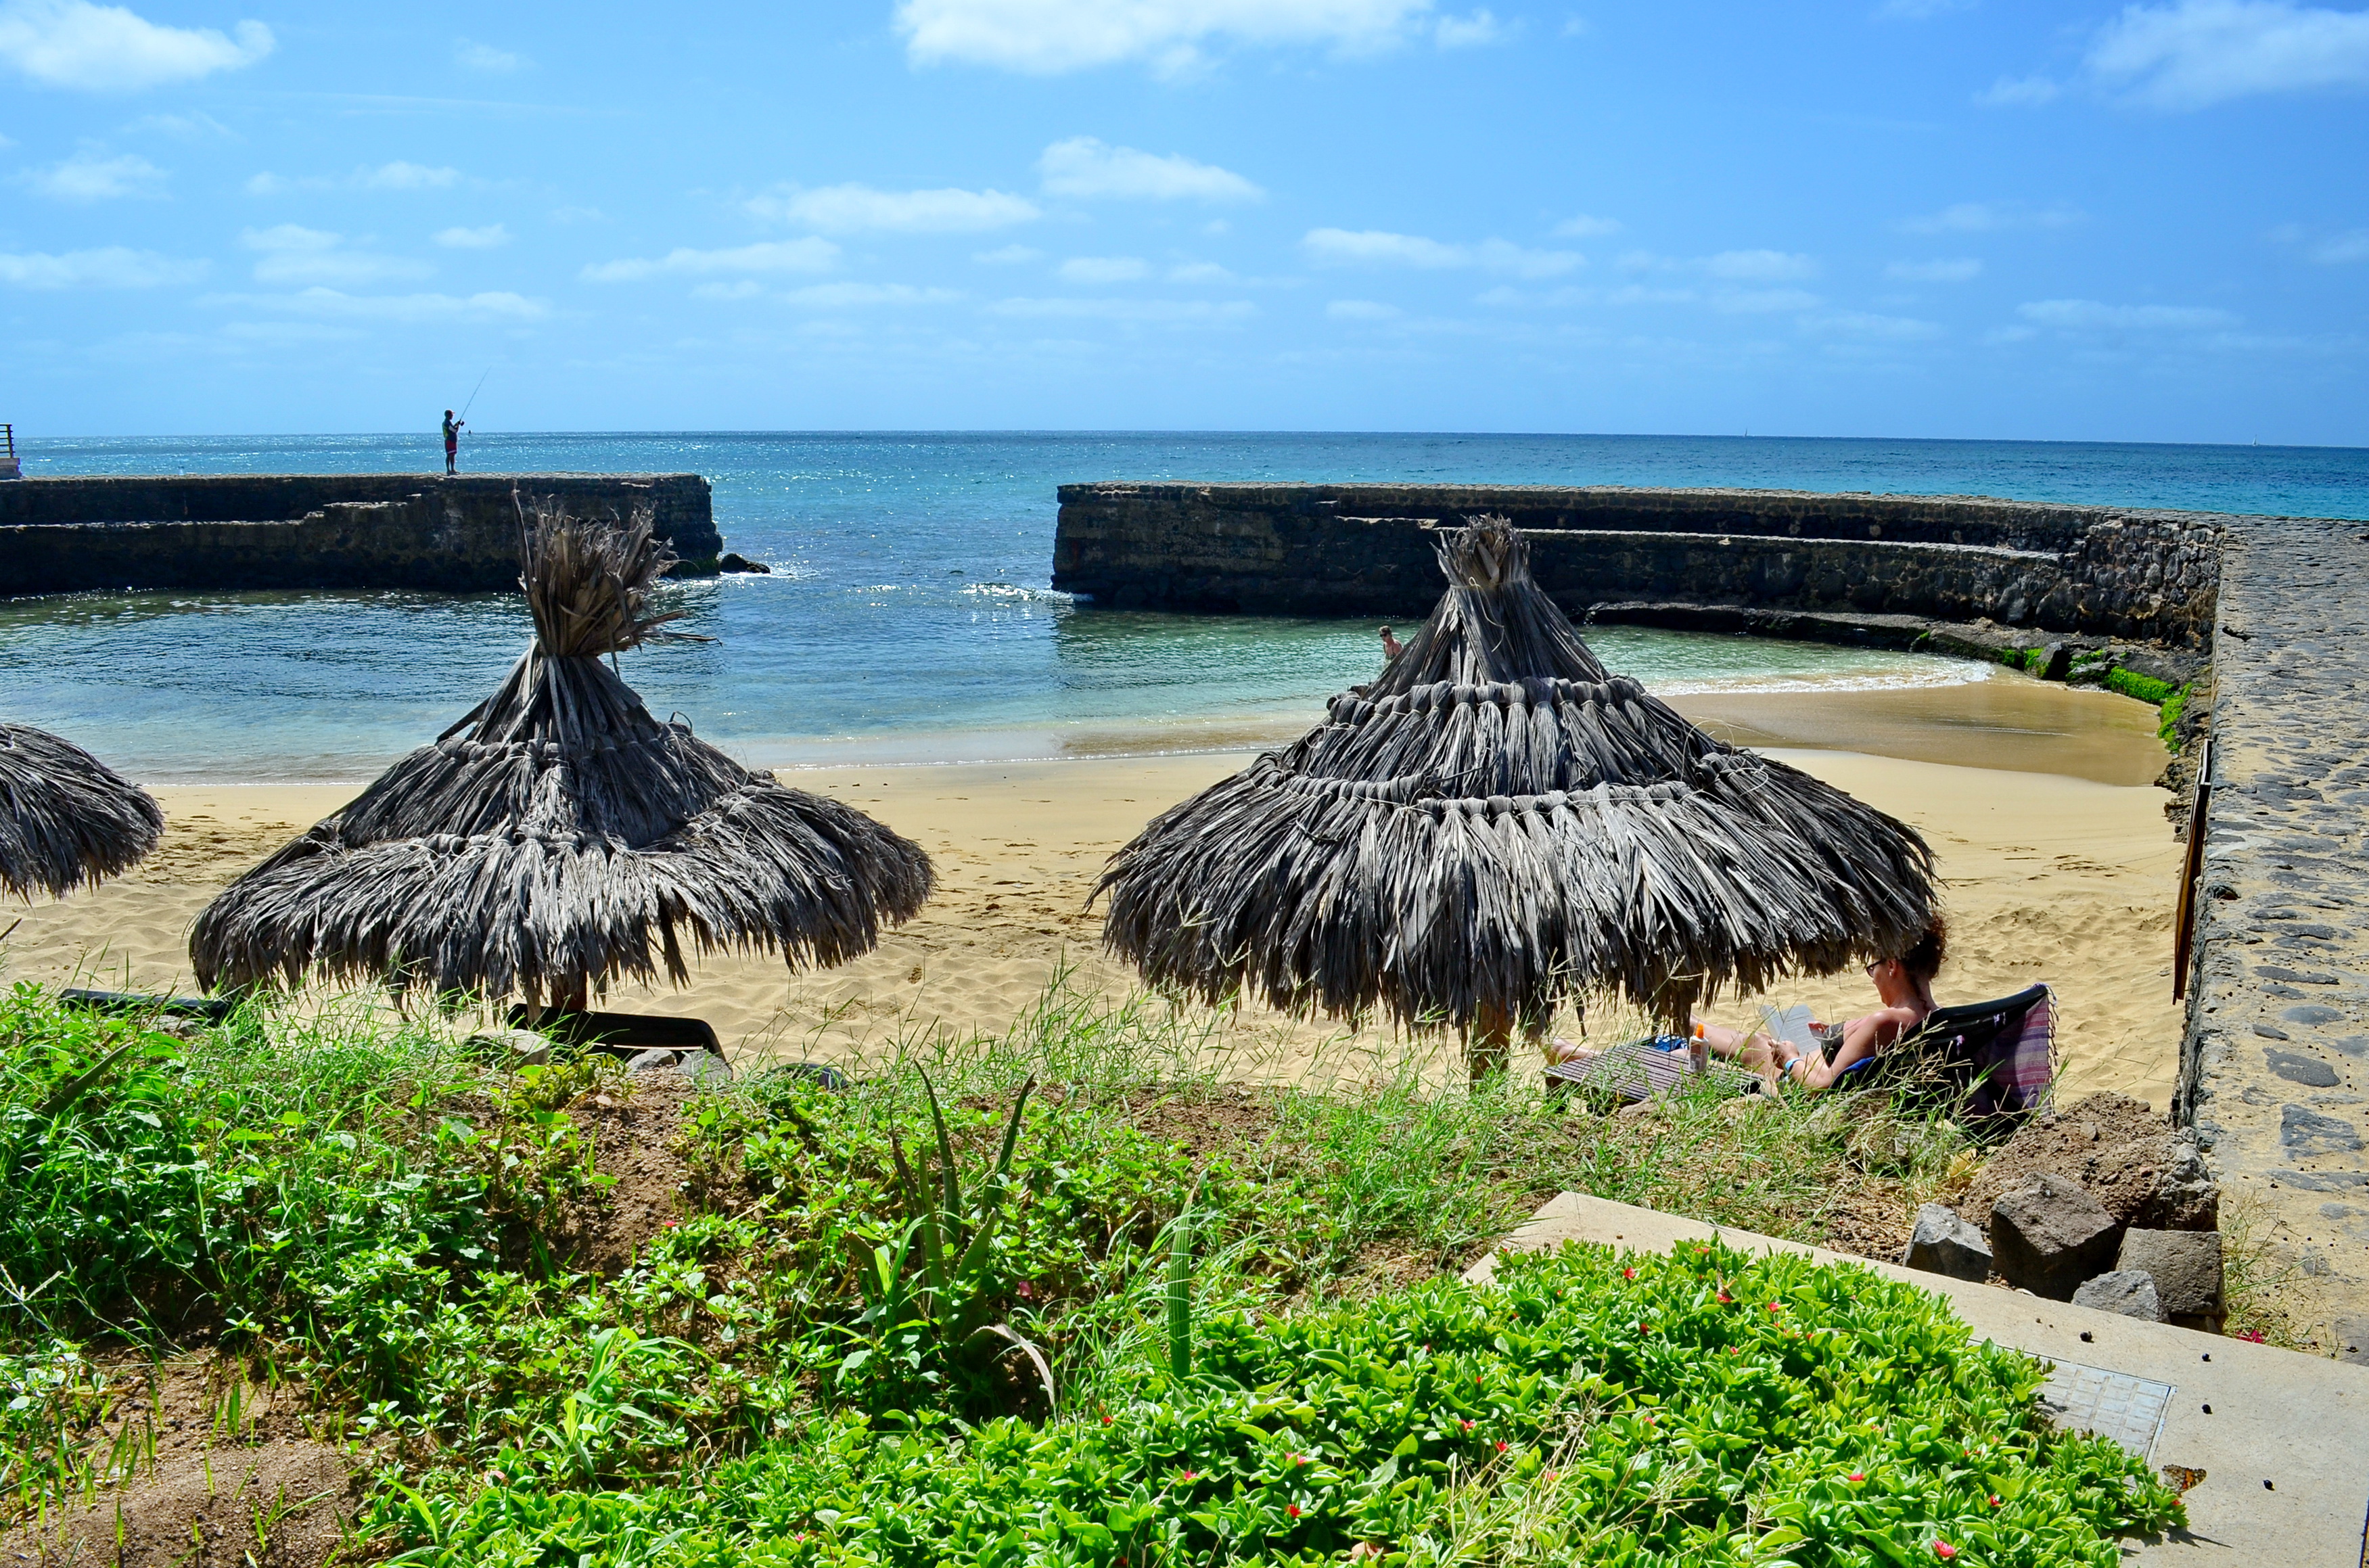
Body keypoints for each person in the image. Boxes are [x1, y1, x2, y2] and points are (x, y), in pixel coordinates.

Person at [1546, 915, 1948, 1091]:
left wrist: (1791, 1056)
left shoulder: (1887, 1019)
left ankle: (1595, 1057)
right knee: (1730, 1040)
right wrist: (1825, 1034)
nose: (1872, 975)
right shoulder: (1935, 1017)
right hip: (1818, 1061)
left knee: (1747, 1046)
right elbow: (1856, 1054)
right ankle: (1673, 1032)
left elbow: (1823, 1085)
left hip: (1791, 1087)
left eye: (1873, 967)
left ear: (1893, 966)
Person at [442, 409, 465, 475]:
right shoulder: (447, 423)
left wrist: (457, 424)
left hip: (451, 441)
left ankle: (452, 469)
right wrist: (458, 426)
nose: (452, 416)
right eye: (452, 415)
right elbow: (454, 430)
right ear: (448, 415)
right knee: (450, 455)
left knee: (452, 455)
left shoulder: (447, 422)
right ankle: (449, 470)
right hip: (450, 441)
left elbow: (452, 428)